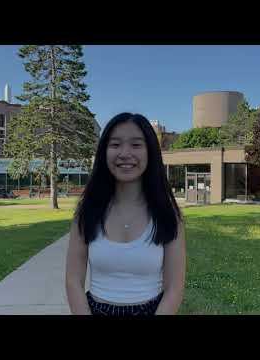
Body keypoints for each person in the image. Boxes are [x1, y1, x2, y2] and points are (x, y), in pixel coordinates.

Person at [65, 112, 186, 316]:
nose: (125, 153)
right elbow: (73, 281)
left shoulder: (167, 214)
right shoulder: (88, 210)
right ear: (104, 152)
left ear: (150, 152)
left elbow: (175, 288)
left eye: (136, 145)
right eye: (115, 144)